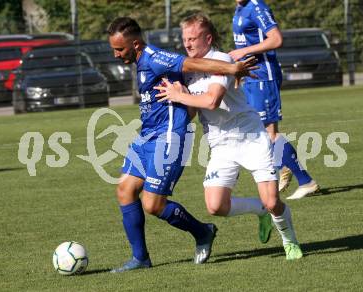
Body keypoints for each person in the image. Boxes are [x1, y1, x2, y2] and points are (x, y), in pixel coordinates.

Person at [107, 16, 257, 272]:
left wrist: (231, 68)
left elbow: (191, 63)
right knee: (124, 190)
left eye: (119, 49)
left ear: (135, 45)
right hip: (147, 136)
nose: (116, 54)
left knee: (153, 204)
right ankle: (140, 259)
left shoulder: (154, 57)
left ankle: (203, 233)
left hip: (169, 138)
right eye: (113, 49)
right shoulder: (141, 60)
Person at [155, 13, 303, 260]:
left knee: (273, 200)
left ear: (208, 38)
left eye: (193, 39)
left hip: (251, 137)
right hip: (221, 145)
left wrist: (179, 96)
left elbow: (212, 101)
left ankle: (290, 240)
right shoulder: (188, 70)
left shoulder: (221, 60)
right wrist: (180, 93)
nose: (188, 44)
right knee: (215, 206)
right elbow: (193, 112)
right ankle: (260, 211)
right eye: (185, 39)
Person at [229, 0, 320, 200]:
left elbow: (276, 39)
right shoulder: (240, 8)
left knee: (269, 133)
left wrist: (244, 51)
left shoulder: (257, 7)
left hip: (264, 76)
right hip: (252, 78)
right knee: (257, 131)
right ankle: (283, 166)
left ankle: (306, 181)